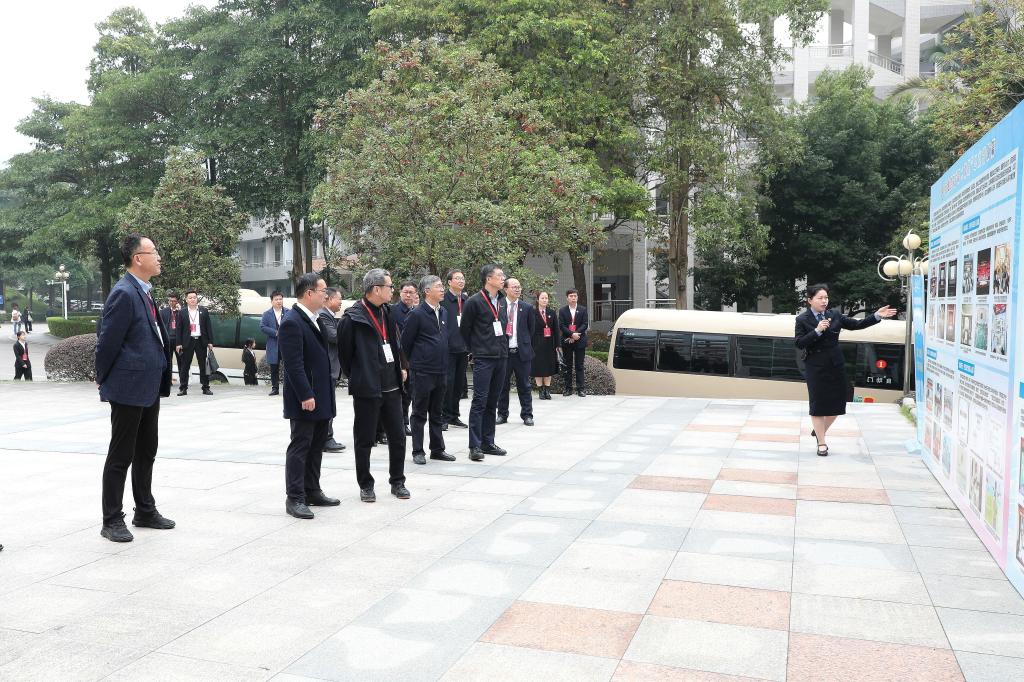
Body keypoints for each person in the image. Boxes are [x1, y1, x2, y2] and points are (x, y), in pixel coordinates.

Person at [95, 233, 175, 543]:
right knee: (121, 455)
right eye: (153, 251)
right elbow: (107, 341)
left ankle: (145, 510)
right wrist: (102, 377)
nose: (159, 257)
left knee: (146, 451)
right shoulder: (124, 293)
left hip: (148, 385)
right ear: (138, 258)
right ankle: (112, 519)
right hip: (128, 387)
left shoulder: (144, 291)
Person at [795, 283, 897, 456]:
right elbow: (799, 343)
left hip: (836, 365)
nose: (824, 301)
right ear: (810, 300)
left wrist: (876, 316)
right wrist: (817, 331)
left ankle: (819, 430)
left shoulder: (834, 315)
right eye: (820, 298)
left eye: (826, 297)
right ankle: (821, 442)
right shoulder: (802, 319)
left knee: (839, 403)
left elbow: (857, 324)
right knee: (818, 404)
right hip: (815, 366)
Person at [339, 268, 410, 502]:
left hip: (392, 386)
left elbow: (395, 343)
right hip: (367, 389)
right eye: (390, 286)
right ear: (376, 289)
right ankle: (366, 485)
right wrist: (361, 375)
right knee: (365, 439)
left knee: (398, 437)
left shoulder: (387, 312)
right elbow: (345, 356)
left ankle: (398, 482)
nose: (392, 290)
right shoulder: (353, 318)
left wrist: (401, 366)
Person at [279, 273, 339, 519]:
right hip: (305, 398)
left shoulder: (316, 319)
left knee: (316, 446)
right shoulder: (292, 322)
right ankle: (295, 497)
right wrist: (305, 394)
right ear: (309, 293)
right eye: (323, 291)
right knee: (301, 446)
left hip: (321, 394)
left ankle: (312, 490)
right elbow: (293, 364)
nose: (326, 295)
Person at [401, 275, 454, 465]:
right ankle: (418, 450)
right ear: (427, 291)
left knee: (437, 412)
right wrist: (413, 364)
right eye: (438, 286)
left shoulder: (444, 312)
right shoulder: (416, 314)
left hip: (441, 370)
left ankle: (437, 449)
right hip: (422, 371)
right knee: (419, 412)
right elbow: (405, 343)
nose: (442, 289)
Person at [461, 264, 509, 461]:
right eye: (500, 275)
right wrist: (474, 350)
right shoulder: (474, 301)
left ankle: (488, 442)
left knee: (492, 401)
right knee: (480, 401)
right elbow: (465, 330)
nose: (503, 278)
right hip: (483, 357)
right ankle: (474, 445)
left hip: (501, 356)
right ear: (488, 279)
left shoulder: (502, 301)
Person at [497, 277, 535, 426]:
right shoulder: (498, 305)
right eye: (514, 287)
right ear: (505, 289)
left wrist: (523, 343)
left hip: (521, 352)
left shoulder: (527, 307)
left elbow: (531, 330)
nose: (518, 289)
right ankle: (502, 414)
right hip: (504, 353)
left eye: (519, 287)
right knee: (502, 385)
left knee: (524, 385)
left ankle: (527, 415)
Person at [440, 269, 470, 430]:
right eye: (457, 278)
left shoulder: (466, 300)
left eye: (462, 278)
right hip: (448, 349)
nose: (461, 281)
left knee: (459, 384)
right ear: (449, 282)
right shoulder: (443, 300)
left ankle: (454, 415)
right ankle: (443, 416)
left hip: (463, 349)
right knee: (448, 383)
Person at [318, 287, 347, 453]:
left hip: (331, 367)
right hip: (327, 368)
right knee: (327, 404)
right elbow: (334, 337)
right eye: (339, 299)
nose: (341, 302)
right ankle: (326, 438)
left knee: (329, 404)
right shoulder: (323, 316)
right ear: (328, 299)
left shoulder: (329, 316)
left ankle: (326, 437)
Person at [175, 289, 215, 396]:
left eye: (194, 297)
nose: (192, 299)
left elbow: (208, 326)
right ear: (186, 300)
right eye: (190, 298)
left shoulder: (204, 311)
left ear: (197, 299)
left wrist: (210, 341)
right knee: (185, 366)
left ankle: (206, 387)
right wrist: (178, 343)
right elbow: (179, 329)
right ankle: (183, 388)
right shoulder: (182, 312)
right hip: (187, 341)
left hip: (201, 341)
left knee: (203, 366)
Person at [393, 281, 418, 436]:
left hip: (415, 358)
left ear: (416, 294)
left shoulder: (418, 311)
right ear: (400, 293)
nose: (408, 295)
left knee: (409, 394)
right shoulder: (393, 311)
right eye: (405, 292)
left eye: (411, 292)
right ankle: (400, 423)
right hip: (400, 358)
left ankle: (405, 422)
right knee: (399, 394)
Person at [558, 289, 589, 396]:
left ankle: (581, 389)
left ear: (577, 297)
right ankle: (568, 388)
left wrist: (575, 334)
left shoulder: (583, 309)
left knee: (579, 365)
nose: (573, 298)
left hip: (580, 340)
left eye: (575, 296)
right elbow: (561, 325)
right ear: (567, 298)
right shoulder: (562, 310)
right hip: (567, 341)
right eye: (571, 296)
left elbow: (585, 324)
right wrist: (571, 335)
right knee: (567, 365)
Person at [531, 291, 560, 399]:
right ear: (538, 300)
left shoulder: (552, 312)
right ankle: (540, 390)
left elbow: (556, 330)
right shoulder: (532, 312)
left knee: (548, 367)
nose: (544, 300)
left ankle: (547, 390)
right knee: (538, 367)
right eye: (542, 298)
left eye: (546, 298)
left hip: (549, 343)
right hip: (536, 343)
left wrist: (557, 345)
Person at [261, 291, 285, 396]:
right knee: (274, 367)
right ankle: (275, 388)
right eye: (276, 299)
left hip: (286, 345)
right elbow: (262, 327)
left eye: (280, 299)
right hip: (273, 344)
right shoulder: (267, 314)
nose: (279, 301)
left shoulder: (288, 312)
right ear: (272, 301)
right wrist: (275, 332)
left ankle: (288, 387)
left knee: (288, 367)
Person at [159, 292, 184, 385]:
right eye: (170, 301)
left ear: (177, 302)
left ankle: (183, 381)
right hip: (168, 340)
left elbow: (185, 324)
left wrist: (180, 311)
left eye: (174, 301)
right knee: (168, 362)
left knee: (181, 361)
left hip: (179, 341)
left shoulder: (181, 312)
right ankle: (168, 381)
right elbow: (160, 326)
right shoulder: (163, 312)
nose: (172, 303)